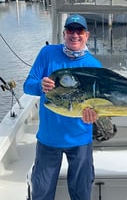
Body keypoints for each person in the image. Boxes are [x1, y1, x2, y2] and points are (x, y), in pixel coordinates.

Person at [24, 14, 101, 200]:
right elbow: (28, 85)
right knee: (41, 193)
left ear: (87, 35)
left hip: (80, 139)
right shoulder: (47, 53)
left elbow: (98, 103)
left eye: (79, 31)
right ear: (64, 33)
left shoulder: (93, 65)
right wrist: (40, 86)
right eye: (70, 30)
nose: (75, 35)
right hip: (49, 139)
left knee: (82, 194)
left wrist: (95, 114)